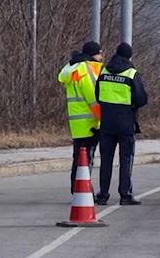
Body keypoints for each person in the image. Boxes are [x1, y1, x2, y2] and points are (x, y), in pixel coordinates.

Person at [94, 42, 147, 205]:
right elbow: (141, 99)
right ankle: (125, 194)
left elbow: (97, 95)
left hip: (107, 123)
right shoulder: (131, 74)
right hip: (125, 123)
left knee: (106, 160)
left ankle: (103, 194)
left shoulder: (104, 71)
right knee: (125, 159)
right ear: (129, 57)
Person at [59, 41, 104, 173]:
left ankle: (76, 188)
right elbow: (93, 99)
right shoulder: (87, 69)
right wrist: (103, 120)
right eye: (100, 53)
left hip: (76, 122)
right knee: (85, 160)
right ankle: (83, 190)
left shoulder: (73, 68)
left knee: (78, 157)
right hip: (89, 123)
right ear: (93, 54)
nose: (101, 57)